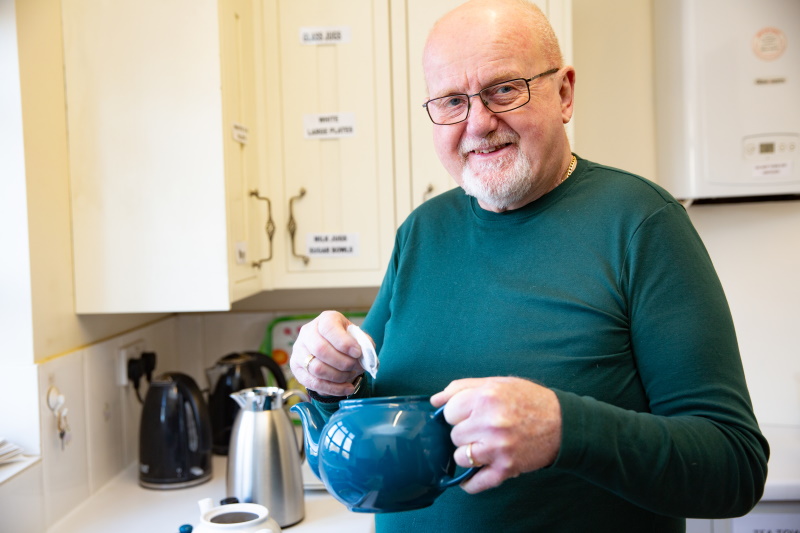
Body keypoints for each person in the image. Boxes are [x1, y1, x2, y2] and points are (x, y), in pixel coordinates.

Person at [289, 0, 770, 531]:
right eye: (451, 101)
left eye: (503, 89)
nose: (478, 124)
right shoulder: (422, 233)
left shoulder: (640, 224)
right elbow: (358, 444)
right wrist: (335, 383)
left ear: (563, 93)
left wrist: (565, 428)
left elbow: (735, 467)